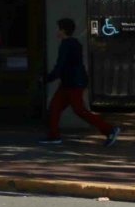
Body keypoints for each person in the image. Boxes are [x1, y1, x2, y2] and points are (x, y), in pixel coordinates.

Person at [42, 17, 120, 146]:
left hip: (73, 83)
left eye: (58, 28)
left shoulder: (66, 45)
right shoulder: (73, 43)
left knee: (78, 110)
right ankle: (53, 135)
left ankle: (109, 129)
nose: (56, 31)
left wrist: (48, 78)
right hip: (70, 82)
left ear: (63, 30)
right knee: (55, 108)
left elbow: (61, 66)